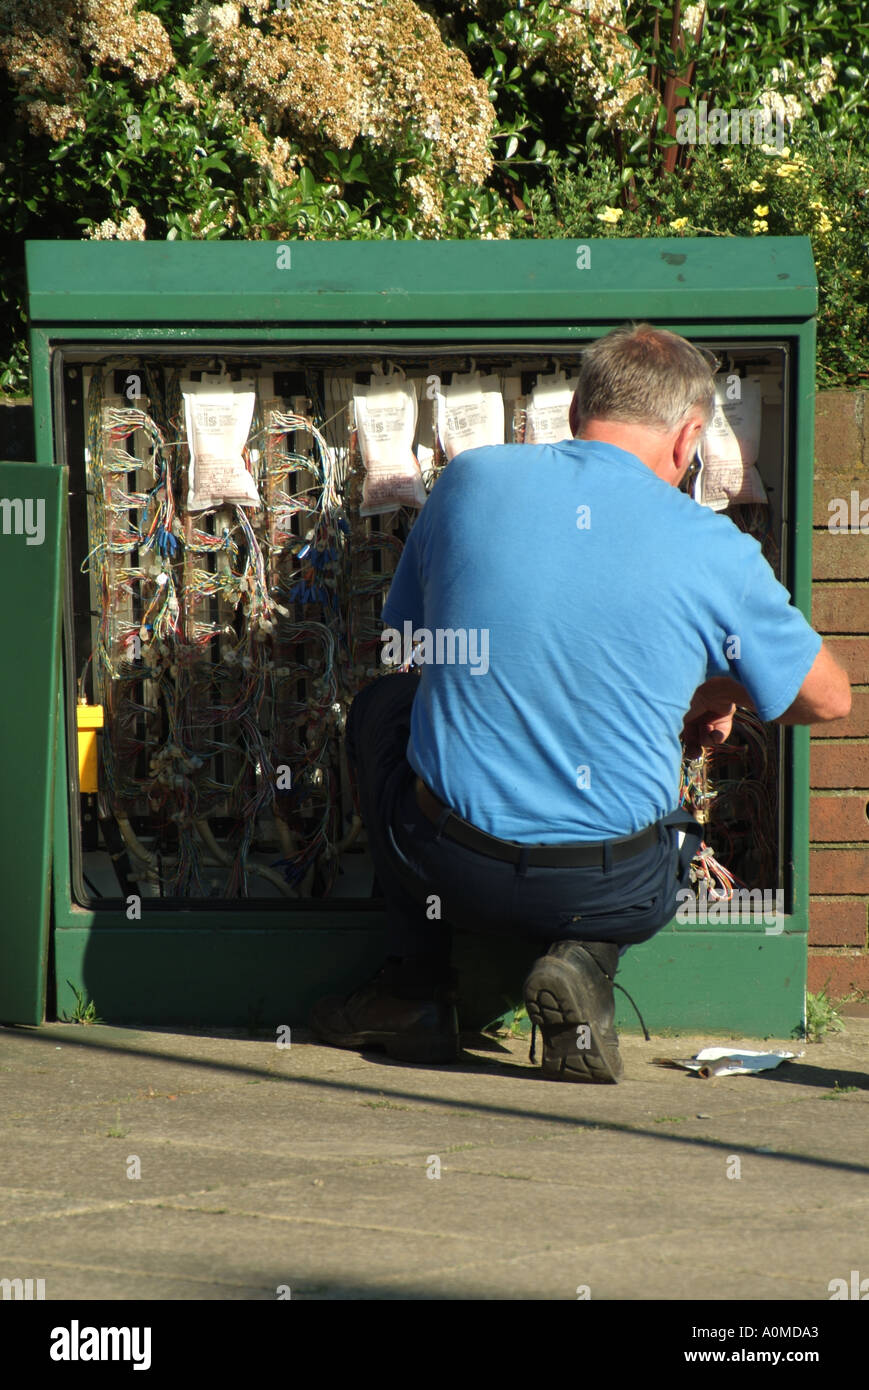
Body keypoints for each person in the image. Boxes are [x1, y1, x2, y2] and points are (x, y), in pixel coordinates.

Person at [309, 323, 850, 1081]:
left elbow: (406, 648)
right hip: (614, 885)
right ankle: (583, 960)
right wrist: (711, 686)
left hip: (451, 865)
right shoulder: (713, 544)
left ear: (572, 416)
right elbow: (829, 699)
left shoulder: (470, 481)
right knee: (673, 829)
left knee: (381, 709)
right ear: (689, 436)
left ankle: (414, 988)